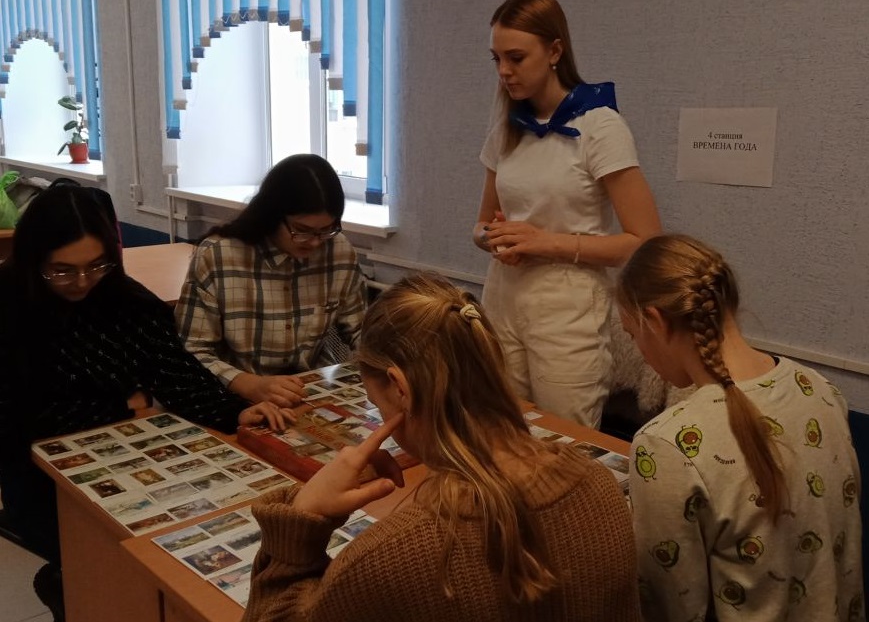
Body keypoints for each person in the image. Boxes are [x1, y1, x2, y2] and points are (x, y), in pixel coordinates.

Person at [242, 273, 641, 622]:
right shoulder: (599, 484)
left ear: (400, 389)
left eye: (379, 404)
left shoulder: (394, 555)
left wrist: (301, 518)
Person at [0, 185, 292, 622]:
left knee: (178, 540)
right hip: (38, 478)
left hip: (124, 453)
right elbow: (15, 418)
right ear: (34, 260)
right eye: (62, 271)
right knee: (107, 557)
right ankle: (70, 585)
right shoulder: (8, 305)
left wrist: (231, 410)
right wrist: (124, 408)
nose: (82, 282)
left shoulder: (122, 297)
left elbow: (172, 368)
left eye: (96, 265)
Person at [617, 234, 864, 621]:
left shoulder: (665, 444)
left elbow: (668, 607)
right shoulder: (821, 388)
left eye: (633, 335)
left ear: (656, 321)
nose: (640, 352)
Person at [473, 0, 661, 428]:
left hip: (568, 310)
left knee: (566, 442)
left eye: (516, 58)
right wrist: (494, 239)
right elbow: (480, 226)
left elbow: (645, 242)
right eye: (496, 59)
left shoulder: (600, 126)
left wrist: (542, 243)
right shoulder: (506, 128)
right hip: (502, 299)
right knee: (500, 431)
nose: (504, 71)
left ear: (555, 51)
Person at [175, 153, 367, 409]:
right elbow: (192, 350)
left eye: (326, 230)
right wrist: (250, 384)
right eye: (302, 230)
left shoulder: (338, 251)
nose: (315, 242)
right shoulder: (219, 256)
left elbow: (361, 330)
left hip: (310, 392)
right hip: (236, 398)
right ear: (272, 215)